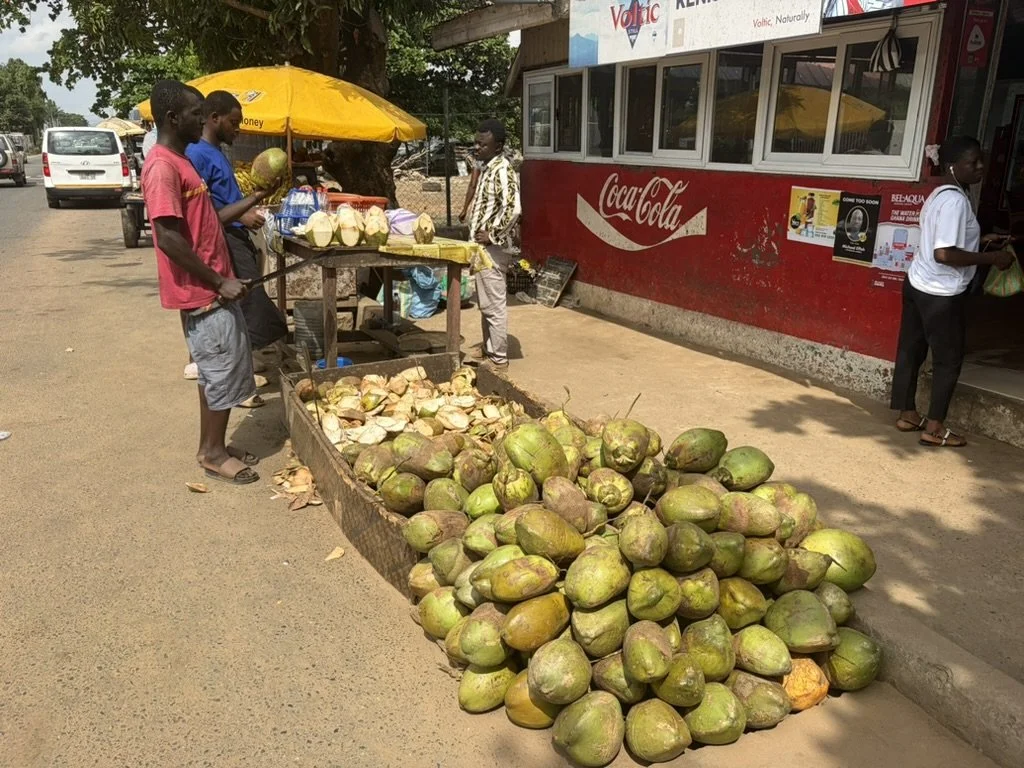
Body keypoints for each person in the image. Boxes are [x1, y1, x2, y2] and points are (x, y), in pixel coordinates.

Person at [142, 79, 260, 485]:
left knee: (222, 370)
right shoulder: (161, 167)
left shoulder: (184, 161)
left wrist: (227, 274)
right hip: (201, 291)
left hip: (215, 284)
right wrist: (216, 280)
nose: (201, 120)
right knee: (220, 369)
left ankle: (216, 444)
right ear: (173, 118)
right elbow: (168, 238)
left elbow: (208, 222)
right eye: (195, 114)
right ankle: (211, 453)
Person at [890, 135, 1016, 448]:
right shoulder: (956, 200)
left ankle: (908, 414)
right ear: (953, 165)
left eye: (981, 160)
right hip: (940, 294)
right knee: (948, 360)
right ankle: (934, 429)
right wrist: (993, 258)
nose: (980, 167)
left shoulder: (940, 193)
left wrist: (981, 239)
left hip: (918, 284)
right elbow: (944, 253)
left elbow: (943, 240)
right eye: (972, 162)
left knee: (911, 349)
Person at [186, 90, 289, 405]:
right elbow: (204, 210)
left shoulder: (215, 152)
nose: (238, 129)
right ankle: (239, 383)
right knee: (248, 307)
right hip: (226, 239)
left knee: (247, 307)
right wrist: (245, 211)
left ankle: (243, 372)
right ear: (213, 118)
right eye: (233, 122)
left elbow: (220, 198)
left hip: (236, 236)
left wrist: (246, 210)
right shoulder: (198, 154)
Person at [469, 119, 521, 370]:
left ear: (498, 146)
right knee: (486, 303)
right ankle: (489, 349)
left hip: (492, 249)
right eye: (476, 143)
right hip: (482, 250)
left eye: (483, 144)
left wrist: (493, 235)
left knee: (494, 305)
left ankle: (499, 359)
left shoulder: (502, 170)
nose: (477, 148)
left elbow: (513, 209)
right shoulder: (489, 167)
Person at [458, 150, 482, 223]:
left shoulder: (479, 161)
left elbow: (473, 184)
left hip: (481, 205)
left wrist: (465, 209)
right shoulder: (503, 161)